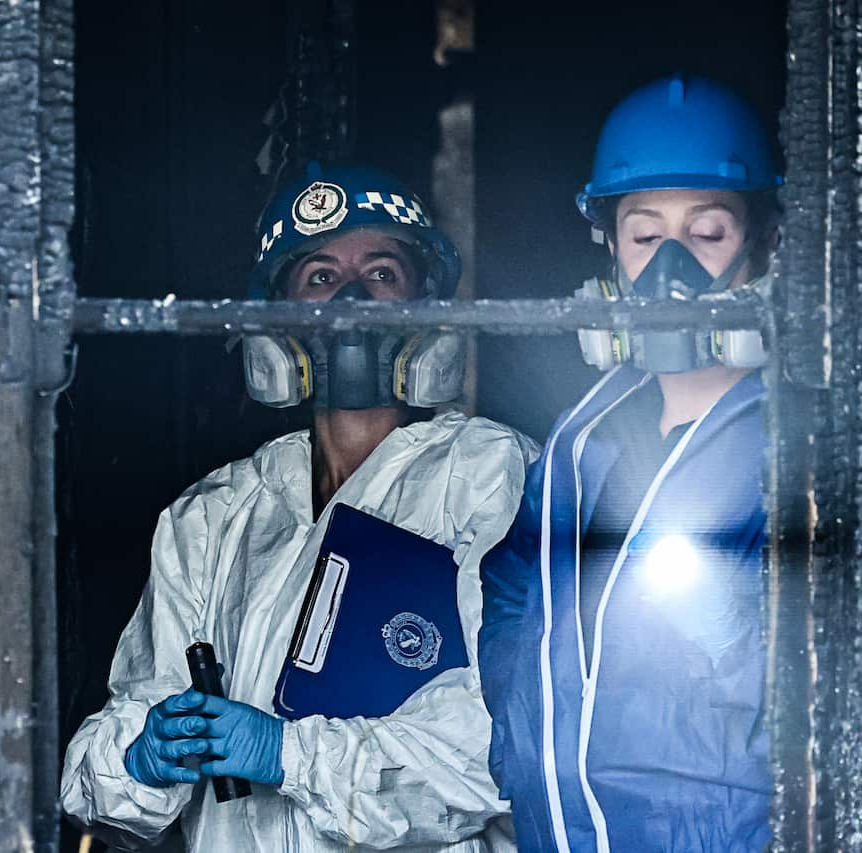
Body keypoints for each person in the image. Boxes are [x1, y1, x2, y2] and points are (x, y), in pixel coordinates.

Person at [61, 163, 537, 851]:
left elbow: (504, 746)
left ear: (426, 309)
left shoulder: (491, 476)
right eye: (319, 278)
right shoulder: (213, 518)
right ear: (277, 322)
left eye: (381, 273)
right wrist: (141, 754)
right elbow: (97, 785)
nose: (350, 299)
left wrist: (288, 754)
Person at [477, 74, 782, 852]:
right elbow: (514, 589)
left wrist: (731, 636)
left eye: (707, 233)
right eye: (646, 237)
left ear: (764, 245)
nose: (671, 269)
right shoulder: (584, 434)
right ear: (608, 248)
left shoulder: (800, 443)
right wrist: (517, 748)